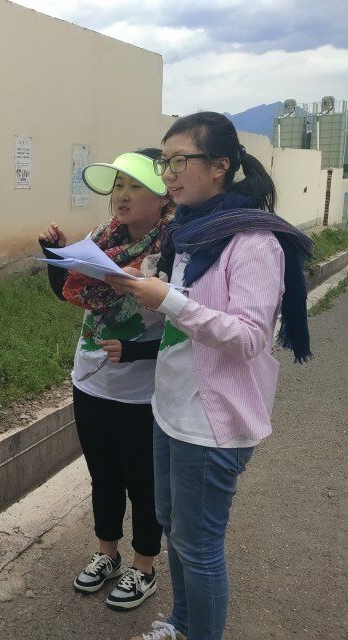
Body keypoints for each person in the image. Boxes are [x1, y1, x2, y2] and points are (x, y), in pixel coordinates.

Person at [107, 113, 312, 640]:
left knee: (199, 547)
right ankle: (180, 623)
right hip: (171, 408)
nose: (168, 174)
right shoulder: (190, 233)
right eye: (165, 162)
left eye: (180, 161)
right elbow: (184, 317)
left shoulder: (252, 242)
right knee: (174, 529)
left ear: (220, 165)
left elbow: (249, 337)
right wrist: (145, 290)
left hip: (212, 421)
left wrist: (168, 298)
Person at [39, 150, 172, 612]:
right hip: (91, 380)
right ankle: (107, 554)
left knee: (143, 481)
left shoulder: (175, 250)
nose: (122, 195)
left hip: (143, 391)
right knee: (104, 475)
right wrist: (54, 254)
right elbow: (67, 292)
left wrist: (136, 351)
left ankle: (144, 566)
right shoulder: (101, 239)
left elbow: (189, 326)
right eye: (118, 186)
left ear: (163, 195)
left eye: (135, 186)